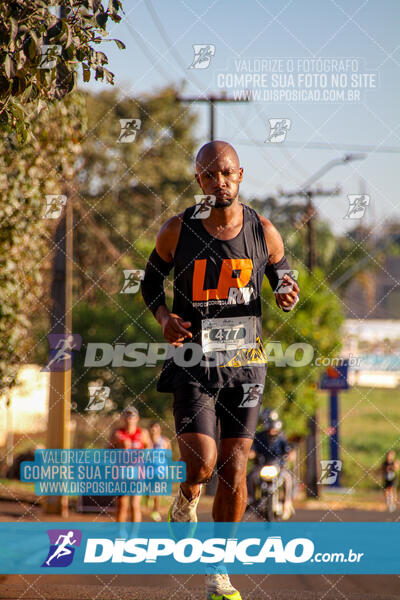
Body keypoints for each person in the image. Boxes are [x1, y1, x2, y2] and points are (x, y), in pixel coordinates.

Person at [141, 140, 299, 600]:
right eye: (209, 175)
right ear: (199, 181)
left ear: (241, 175)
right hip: (193, 361)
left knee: (234, 470)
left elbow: (282, 277)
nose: (219, 182)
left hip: (245, 367)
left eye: (226, 173)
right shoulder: (177, 230)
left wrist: (287, 292)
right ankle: (187, 496)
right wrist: (165, 318)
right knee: (203, 463)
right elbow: (151, 281)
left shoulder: (263, 231)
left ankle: (219, 572)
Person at [247, 409, 294, 520]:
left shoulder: (281, 438)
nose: (272, 430)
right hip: (262, 466)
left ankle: (287, 502)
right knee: (251, 477)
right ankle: (251, 499)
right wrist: (251, 454)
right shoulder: (259, 437)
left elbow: (288, 449)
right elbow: (253, 450)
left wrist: (290, 454)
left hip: (278, 466)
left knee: (287, 478)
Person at [109, 406, 151, 523]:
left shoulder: (143, 433)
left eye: (132, 416)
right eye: (127, 415)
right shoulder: (117, 433)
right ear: (123, 418)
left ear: (137, 418)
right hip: (122, 472)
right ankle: (120, 534)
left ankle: (133, 536)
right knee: (122, 505)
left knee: (134, 505)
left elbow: (149, 450)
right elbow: (107, 451)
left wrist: (142, 455)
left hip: (137, 472)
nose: (129, 418)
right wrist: (118, 446)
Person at [148, 421, 171, 521]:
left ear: (160, 430)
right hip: (148, 469)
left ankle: (155, 511)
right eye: (152, 428)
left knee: (157, 490)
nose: (154, 430)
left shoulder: (165, 441)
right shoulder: (147, 441)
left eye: (156, 428)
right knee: (149, 489)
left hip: (160, 470)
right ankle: (149, 497)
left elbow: (169, 455)